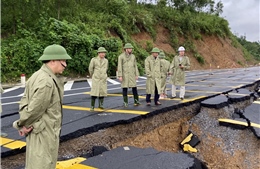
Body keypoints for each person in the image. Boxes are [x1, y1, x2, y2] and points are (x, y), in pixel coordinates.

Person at [12, 44, 72, 169]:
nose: (65, 65)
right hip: (44, 134)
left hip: (38, 130)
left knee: (36, 163)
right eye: (63, 61)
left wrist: (24, 123)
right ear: (53, 60)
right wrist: (20, 124)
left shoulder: (37, 75)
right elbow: (34, 110)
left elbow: (24, 102)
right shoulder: (46, 82)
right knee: (43, 164)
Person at [117, 43, 140, 107]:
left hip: (132, 74)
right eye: (130, 48)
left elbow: (135, 66)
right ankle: (125, 102)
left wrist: (136, 74)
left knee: (134, 88)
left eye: (131, 48)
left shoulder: (133, 56)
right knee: (124, 88)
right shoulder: (121, 56)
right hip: (125, 75)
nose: (131, 50)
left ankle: (136, 101)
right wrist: (120, 76)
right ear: (126, 49)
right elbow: (119, 67)